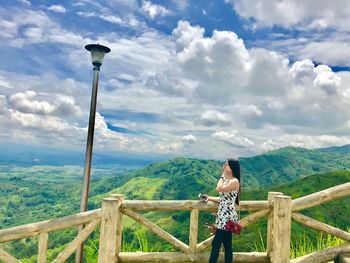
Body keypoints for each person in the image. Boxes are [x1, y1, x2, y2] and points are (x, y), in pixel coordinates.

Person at [203, 159, 241, 263]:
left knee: (216, 243)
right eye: (224, 164)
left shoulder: (234, 181)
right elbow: (223, 199)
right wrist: (209, 198)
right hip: (222, 216)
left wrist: (222, 176)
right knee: (227, 245)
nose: (224, 166)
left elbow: (219, 188)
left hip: (227, 217)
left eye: (227, 164)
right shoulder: (229, 181)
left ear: (232, 167)